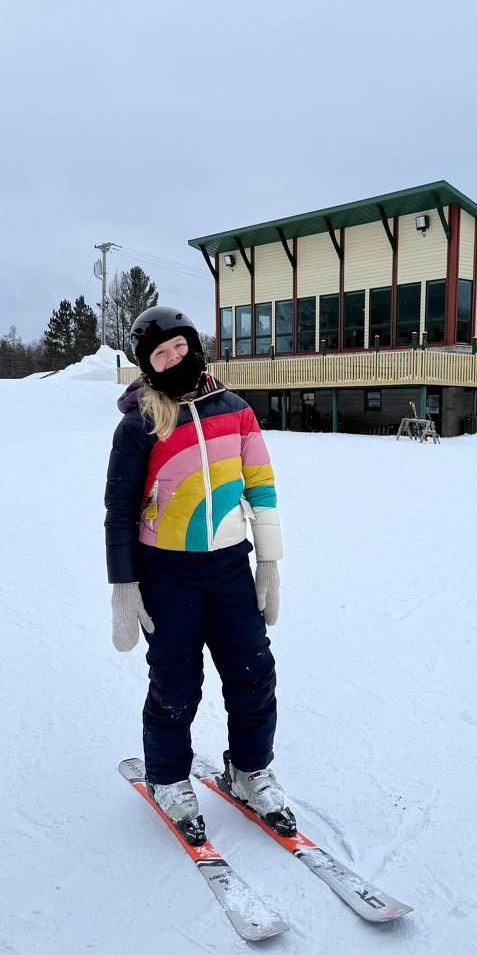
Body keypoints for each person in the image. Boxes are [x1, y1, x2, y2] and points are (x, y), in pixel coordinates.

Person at [104, 306, 295, 844]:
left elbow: (261, 488)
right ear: (147, 364)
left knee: (254, 671)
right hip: (165, 574)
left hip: (231, 566)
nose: (172, 358)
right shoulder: (140, 421)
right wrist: (125, 582)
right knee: (175, 683)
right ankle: (168, 778)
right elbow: (119, 508)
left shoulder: (235, 411)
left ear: (194, 346)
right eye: (159, 354)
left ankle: (250, 770)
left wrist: (269, 561)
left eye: (178, 347)